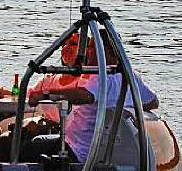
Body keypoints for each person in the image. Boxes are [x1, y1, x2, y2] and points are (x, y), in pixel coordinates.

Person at [20, 36, 158, 162]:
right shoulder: (132, 78)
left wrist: (44, 95)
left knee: (27, 147)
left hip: (77, 151)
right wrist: (126, 104)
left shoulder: (97, 76)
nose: (88, 52)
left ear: (109, 52)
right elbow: (152, 102)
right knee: (41, 140)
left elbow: (84, 96)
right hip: (100, 148)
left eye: (93, 47)